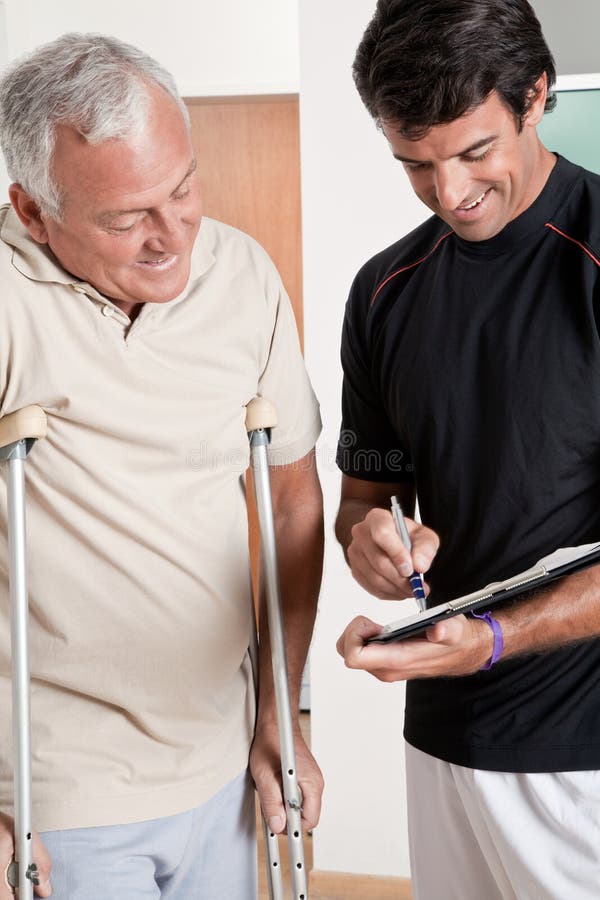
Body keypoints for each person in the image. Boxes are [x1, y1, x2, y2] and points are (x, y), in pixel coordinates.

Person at [0, 32, 324, 900]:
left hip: (225, 765)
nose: (169, 234)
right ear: (33, 212)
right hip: (59, 789)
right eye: (124, 217)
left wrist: (280, 710)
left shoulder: (243, 276)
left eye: (182, 190)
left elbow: (290, 501)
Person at [334, 1, 600, 898]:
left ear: (535, 97)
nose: (449, 194)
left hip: (585, 760)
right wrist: (374, 543)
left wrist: (493, 639)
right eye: (415, 163)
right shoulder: (383, 292)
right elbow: (366, 502)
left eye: (474, 151)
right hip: (441, 736)